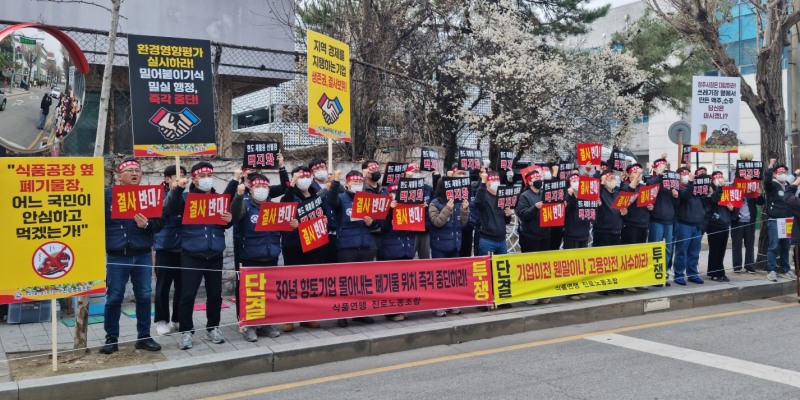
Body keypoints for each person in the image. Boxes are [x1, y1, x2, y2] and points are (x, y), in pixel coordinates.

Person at [164, 162, 234, 350]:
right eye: (202, 175)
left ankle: (213, 327)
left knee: (214, 294)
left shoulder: (219, 199)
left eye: (209, 174)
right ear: (194, 179)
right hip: (192, 253)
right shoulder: (186, 198)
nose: (206, 179)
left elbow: (225, 223)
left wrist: (229, 220)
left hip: (214, 253)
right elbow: (169, 209)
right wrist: (178, 188)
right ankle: (186, 331)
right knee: (187, 294)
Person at [101, 157, 162, 354]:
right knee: (114, 297)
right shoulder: (107, 196)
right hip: (117, 256)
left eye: (138, 170)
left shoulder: (148, 196)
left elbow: (160, 223)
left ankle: (144, 336)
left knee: (144, 296)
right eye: (130, 170)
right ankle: (111, 338)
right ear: (119, 176)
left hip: (142, 254)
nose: (135, 173)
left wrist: (147, 225)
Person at [230, 173, 282, 341]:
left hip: (271, 254)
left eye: (265, 187)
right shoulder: (245, 205)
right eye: (258, 187)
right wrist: (238, 195)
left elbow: (283, 228)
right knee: (252, 294)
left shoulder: (274, 208)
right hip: (251, 255)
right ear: (251, 190)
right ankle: (250, 326)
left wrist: (293, 225)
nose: (261, 190)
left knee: (269, 292)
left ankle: (267, 324)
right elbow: (236, 214)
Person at [280, 166, 328, 332]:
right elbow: (284, 205)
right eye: (300, 177)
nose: (304, 179)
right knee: (292, 281)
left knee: (310, 281)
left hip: (313, 242)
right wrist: (291, 184)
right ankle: (290, 318)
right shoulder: (290, 195)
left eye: (307, 176)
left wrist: (326, 220)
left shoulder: (316, 196)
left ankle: (308, 316)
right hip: (293, 244)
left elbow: (325, 213)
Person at [328, 170, 377, 327]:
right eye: (354, 182)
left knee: (362, 283)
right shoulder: (341, 199)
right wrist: (336, 181)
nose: (357, 185)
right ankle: (342, 315)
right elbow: (330, 200)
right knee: (345, 282)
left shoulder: (367, 200)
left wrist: (372, 223)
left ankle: (360, 313)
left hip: (365, 245)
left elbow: (377, 223)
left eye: (359, 182)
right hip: (347, 246)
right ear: (347, 183)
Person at [429, 178, 470, 315]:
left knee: (453, 277)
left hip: (455, 244)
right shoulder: (435, 203)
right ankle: (438, 305)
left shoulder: (457, 203)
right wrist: (447, 209)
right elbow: (437, 222)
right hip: (440, 245)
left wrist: (464, 210)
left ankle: (452, 303)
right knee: (440, 276)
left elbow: (463, 224)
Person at [153, 165, 186, 336]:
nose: (181, 179)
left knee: (182, 287)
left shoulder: (186, 195)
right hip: (165, 248)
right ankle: (161, 320)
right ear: (167, 179)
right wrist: (176, 191)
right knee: (163, 287)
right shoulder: (159, 195)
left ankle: (178, 318)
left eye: (183, 176)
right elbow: (167, 209)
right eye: (176, 176)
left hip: (184, 249)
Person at [514, 168, 553, 305]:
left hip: (545, 234)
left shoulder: (545, 194)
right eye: (535, 179)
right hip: (530, 235)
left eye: (539, 178)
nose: (539, 181)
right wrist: (535, 207)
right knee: (530, 267)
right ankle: (530, 294)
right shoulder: (524, 196)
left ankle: (543, 293)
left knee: (544, 267)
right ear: (529, 182)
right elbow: (522, 214)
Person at [378, 188, 416, 321]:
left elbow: (420, 227)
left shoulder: (409, 207)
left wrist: (423, 210)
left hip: (406, 249)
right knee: (391, 283)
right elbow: (381, 227)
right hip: (390, 250)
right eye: (393, 193)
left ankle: (402, 307)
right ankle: (391, 312)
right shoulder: (384, 207)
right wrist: (389, 210)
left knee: (404, 282)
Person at [672, 168, 705, 285]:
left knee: (694, 252)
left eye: (688, 174)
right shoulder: (678, 189)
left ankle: (692, 273)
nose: (687, 176)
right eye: (684, 174)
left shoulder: (696, 189)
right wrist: (690, 182)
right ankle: (679, 274)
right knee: (682, 250)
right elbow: (685, 196)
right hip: (683, 223)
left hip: (697, 224)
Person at [763, 159, 795, 282]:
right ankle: (771, 270)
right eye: (780, 171)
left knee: (786, 246)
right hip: (775, 220)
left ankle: (785, 269)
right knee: (773, 246)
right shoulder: (772, 184)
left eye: (784, 172)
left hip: (787, 220)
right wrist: (770, 165)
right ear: (775, 174)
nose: (783, 173)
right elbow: (766, 179)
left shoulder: (787, 186)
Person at [647, 158, 679, 275]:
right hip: (656, 220)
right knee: (655, 248)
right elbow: (650, 188)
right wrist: (659, 175)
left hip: (669, 220)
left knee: (668, 248)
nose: (663, 169)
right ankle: (654, 272)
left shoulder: (671, 183)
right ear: (655, 168)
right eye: (660, 167)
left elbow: (676, 203)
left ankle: (665, 269)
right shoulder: (652, 180)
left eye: (664, 166)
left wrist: (676, 196)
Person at [706, 171, 738, 282]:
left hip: (725, 223)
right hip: (714, 224)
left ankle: (720, 271)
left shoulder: (727, 190)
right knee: (715, 249)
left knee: (721, 250)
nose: (720, 179)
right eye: (717, 178)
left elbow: (734, 205)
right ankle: (714, 272)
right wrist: (719, 187)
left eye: (721, 177)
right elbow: (713, 200)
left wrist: (732, 209)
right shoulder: (710, 191)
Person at [474, 170, 512, 256]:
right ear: (487, 182)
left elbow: (506, 221)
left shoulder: (502, 197)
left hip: (502, 240)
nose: (496, 182)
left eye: (497, 180)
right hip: (487, 240)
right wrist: (482, 182)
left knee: (502, 268)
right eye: (493, 180)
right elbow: (478, 203)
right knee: (487, 267)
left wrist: (508, 215)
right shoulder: (484, 196)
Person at [731, 180, 763, 274]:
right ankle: (737, 266)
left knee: (750, 244)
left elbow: (760, 202)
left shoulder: (752, 188)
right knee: (736, 245)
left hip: (749, 221)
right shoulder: (734, 187)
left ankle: (750, 266)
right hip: (737, 221)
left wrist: (759, 194)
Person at [620, 164, 651, 245]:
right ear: (629, 174)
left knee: (640, 251)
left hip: (643, 224)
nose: (638, 174)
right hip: (631, 224)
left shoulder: (644, 187)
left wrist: (650, 207)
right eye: (635, 172)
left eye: (639, 173)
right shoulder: (624, 186)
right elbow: (630, 191)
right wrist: (636, 177)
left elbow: (648, 203)